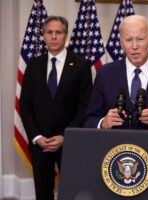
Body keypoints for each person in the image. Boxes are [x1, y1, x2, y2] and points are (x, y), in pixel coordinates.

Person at [20, 16, 92, 200]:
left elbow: (85, 105)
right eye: (49, 32)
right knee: (42, 192)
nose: (53, 36)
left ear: (65, 35)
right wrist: (36, 137)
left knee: (72, 190)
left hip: (69, 140)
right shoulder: (34, 65)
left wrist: (66, 136)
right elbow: (25, 105)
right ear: (43, 35)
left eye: (58, 32)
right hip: (40, 142)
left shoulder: (81, 65)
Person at [84, 15, 148, 131]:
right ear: (121, 44)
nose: (134, 46)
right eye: (128, 40)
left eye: (140, 39)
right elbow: (89, 121)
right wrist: (103, 123)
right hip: (115, 147)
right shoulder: (105, 74)